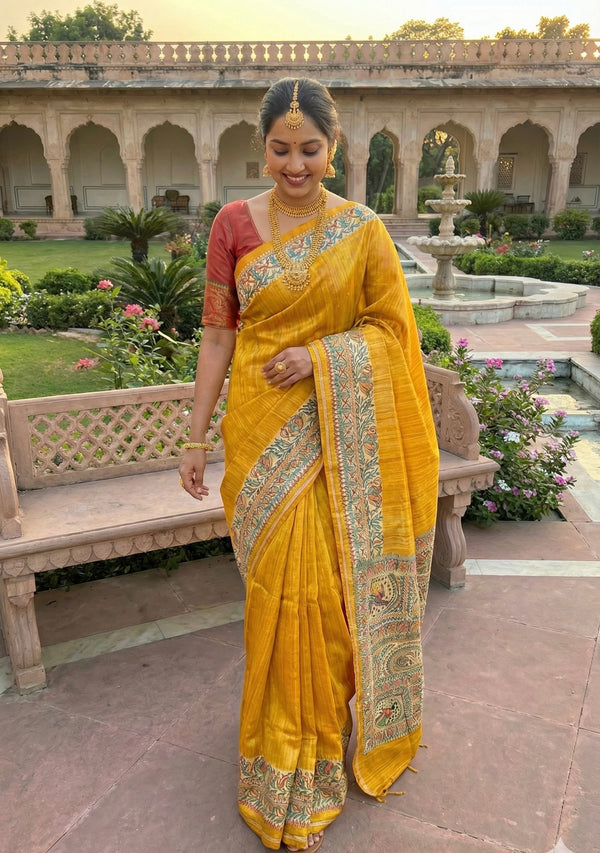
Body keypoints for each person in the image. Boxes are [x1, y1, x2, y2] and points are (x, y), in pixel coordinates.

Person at [179, 77, 439, 852]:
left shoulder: (360, 230)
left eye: (311, 150)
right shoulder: (232, 224)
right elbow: (218, 339)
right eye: (281, 149)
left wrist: (321, 356)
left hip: (335, 440)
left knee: (324, 600)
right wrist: (195, 437)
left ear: (335, 149)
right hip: (259, 438)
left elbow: (391, 334)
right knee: (272, 599)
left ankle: (318, 755)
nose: (296, 166)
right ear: (262, 146)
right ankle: (272, 759)